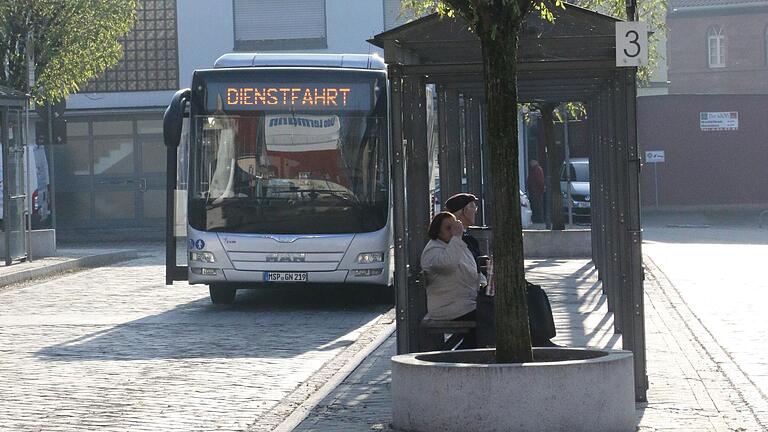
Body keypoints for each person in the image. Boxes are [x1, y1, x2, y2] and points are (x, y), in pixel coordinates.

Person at [421, 211, 481, 349]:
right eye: (448, 228)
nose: (453, 231)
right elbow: (448, 264)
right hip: (447, 307)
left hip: (463, 302)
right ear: (438, 232)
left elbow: (471, 270)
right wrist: (457, 237)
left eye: (454, 226)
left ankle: (464, 354)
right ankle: (460, 356)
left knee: (489, 313)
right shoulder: (433, 250)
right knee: (488, 318)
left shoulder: (454, 245)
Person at [527, 159, 545, 223]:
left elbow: (539, 181)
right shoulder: (535, 169)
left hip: (536, 191)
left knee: (537, 206)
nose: (530, 164)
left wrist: (539, 189)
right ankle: (538, 219)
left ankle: (539, 220)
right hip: (535, 191)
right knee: (536, 206)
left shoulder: (536, 170)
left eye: (532, 162)